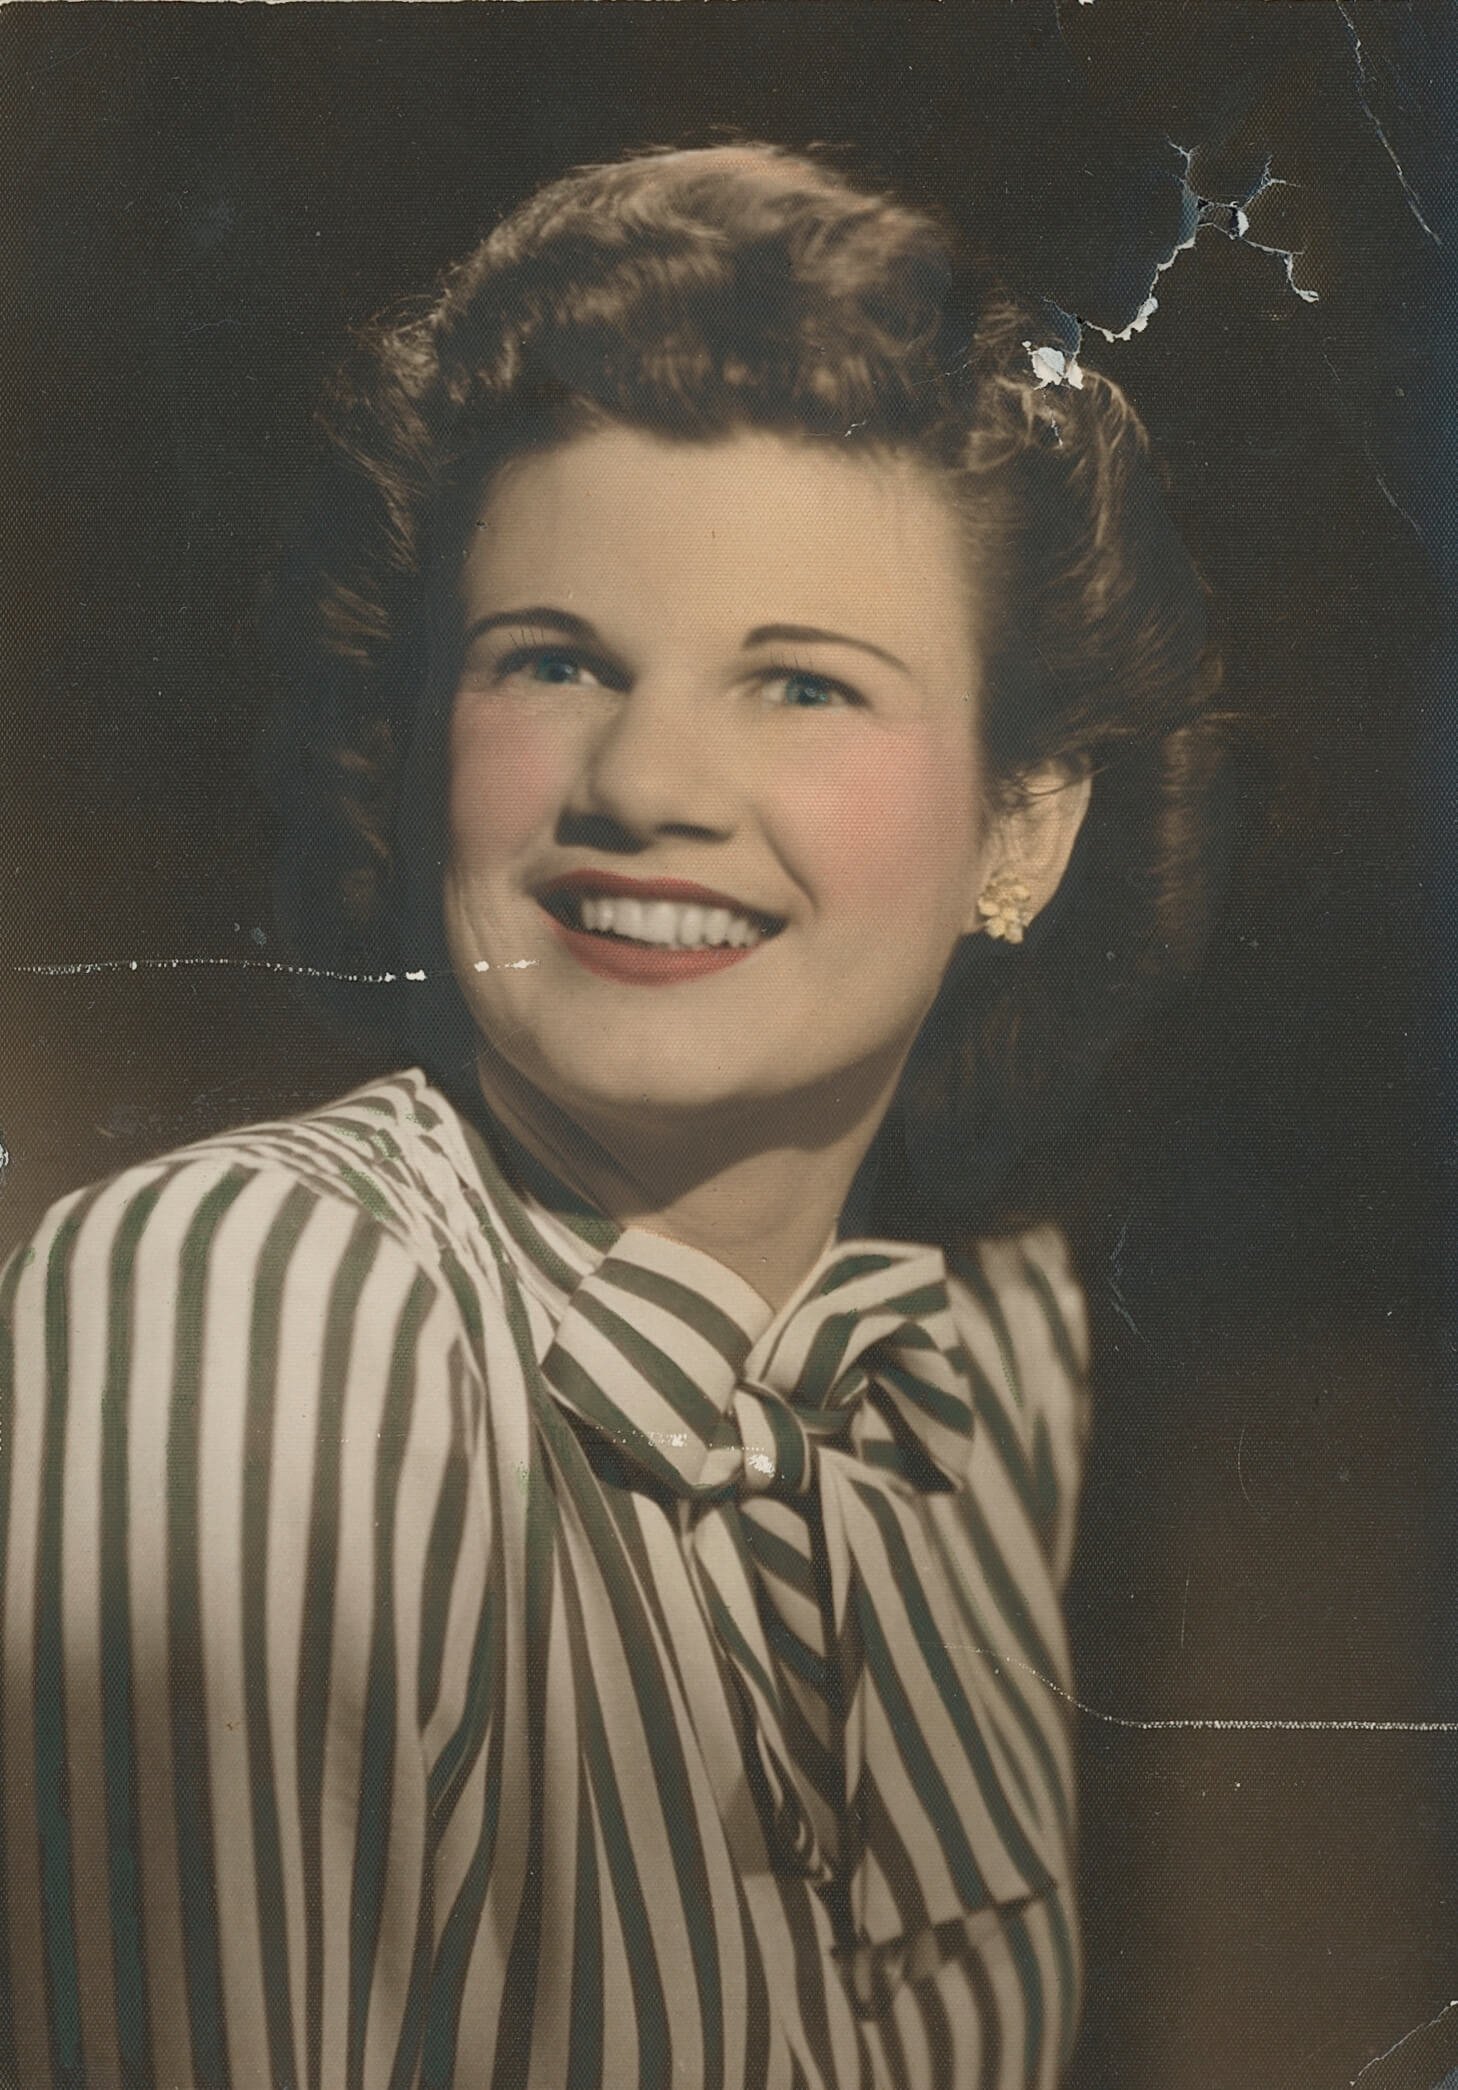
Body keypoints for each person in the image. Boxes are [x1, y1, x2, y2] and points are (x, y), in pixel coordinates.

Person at [0, 143, 1227, 2089]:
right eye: (557, 660)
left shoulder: (974, 1385)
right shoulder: (259, 1298)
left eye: (803, 686)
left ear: (1024, 826)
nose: (648, 779)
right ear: (416, 736)